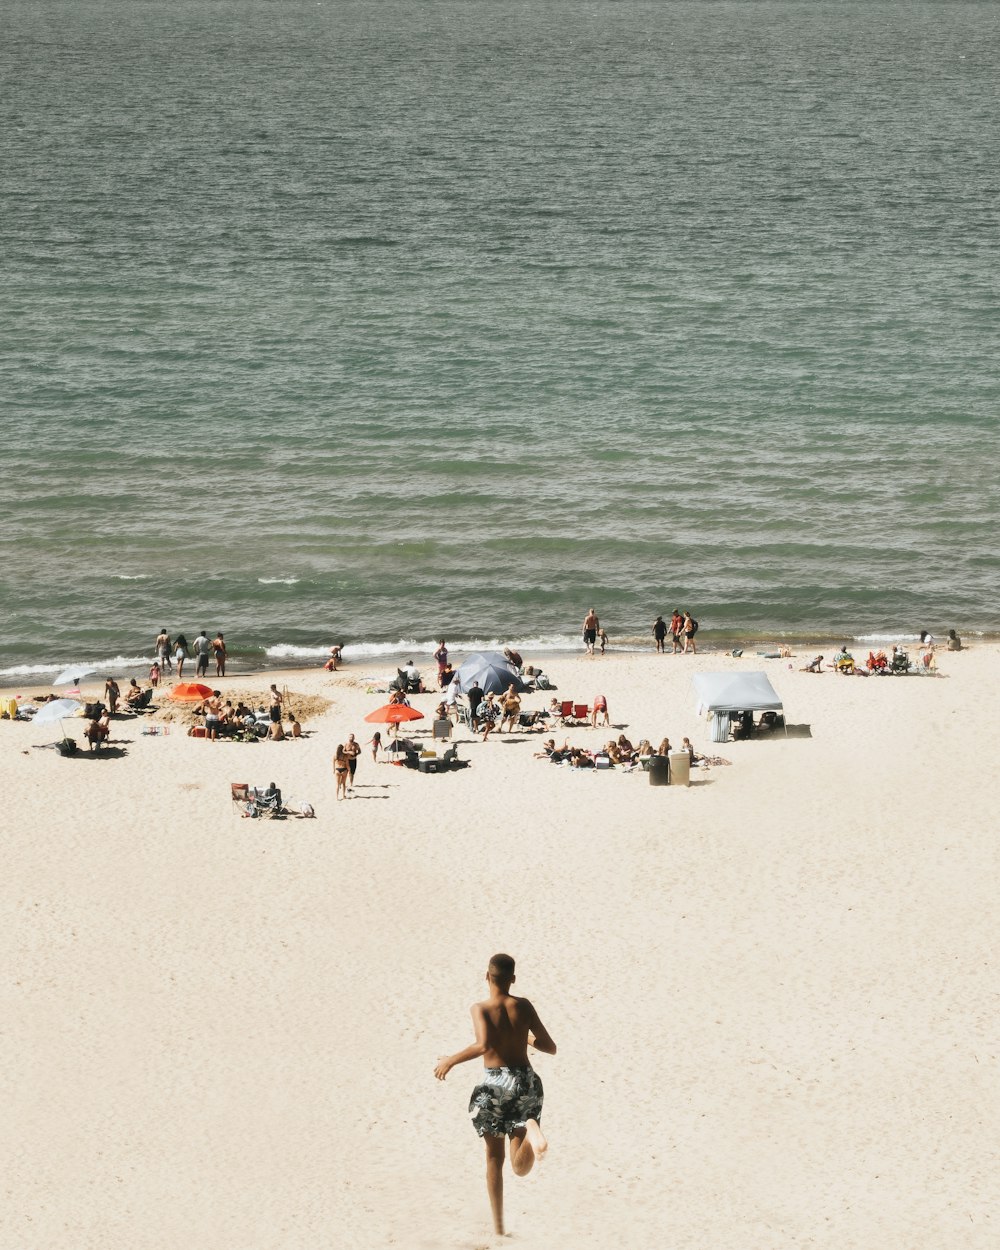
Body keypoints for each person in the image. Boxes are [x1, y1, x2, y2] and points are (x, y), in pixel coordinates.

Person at [433, 954, 555, 1239]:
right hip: (526, 1082)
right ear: (513, 979)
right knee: (520, 1166)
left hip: (495, 1085)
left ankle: (499, 1228)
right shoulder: (524, 1006)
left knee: (493, 1159)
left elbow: (484, 1044)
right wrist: (523, 1036)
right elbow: (549, 1047)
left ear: (486, 977)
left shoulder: (480, 1008)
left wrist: (450, 1060)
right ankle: (530, 1130)